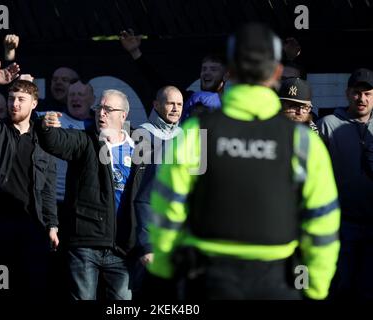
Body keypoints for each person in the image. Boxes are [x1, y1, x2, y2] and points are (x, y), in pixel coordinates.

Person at [147, 23, 340, 300]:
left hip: (208, 281)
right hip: (279, 283)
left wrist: (164, 271)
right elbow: (322, 220)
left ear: (230, 72)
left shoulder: (197, 131)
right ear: (276, 73)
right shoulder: (302, 141)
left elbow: (167, 207)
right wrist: (316, 288)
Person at [0, 56, 59, 301]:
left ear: (34, 104)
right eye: (11, 99)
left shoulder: (42, 140)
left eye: (21, 100)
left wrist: (52, 225)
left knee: (31, 289)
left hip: (32, 226)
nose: (14, 104)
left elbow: (47, 186)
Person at [37, 89, 146, 300]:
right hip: (86, 243)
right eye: (98, 108)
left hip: (123, 246)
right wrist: (46, 127)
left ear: (123, 115)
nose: (101, 113)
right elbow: (55, 142)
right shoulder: (84, 140)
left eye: (108, 109)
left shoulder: (140, 146)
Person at [317, 68, 373, 299]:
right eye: (356, 92)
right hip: (341, 225)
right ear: (347, 93)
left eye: (368, 93)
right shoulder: (327, 125)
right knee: (342, 287)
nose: (362, 98)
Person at [132, 85, 183, 299]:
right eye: (170, 103)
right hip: (149, 235)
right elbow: (140, 195)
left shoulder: (187, 138)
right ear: (156, 105)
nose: (175, 108)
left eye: (179, 104)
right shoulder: (141, 136)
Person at [119, 29, 228, 117]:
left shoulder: (235, 105)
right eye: (204, 69)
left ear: (226, 75)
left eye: (213, 69)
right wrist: (135, 52)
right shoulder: (188, 98)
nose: (206, 73)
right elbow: (158, 82)